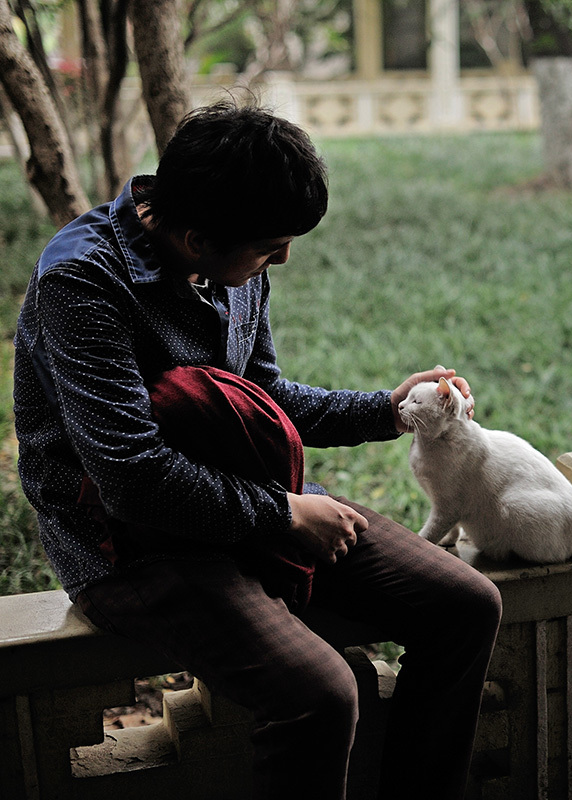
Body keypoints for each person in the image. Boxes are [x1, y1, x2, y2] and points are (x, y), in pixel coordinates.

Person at [13, 100, 502, 800]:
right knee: (322, 693)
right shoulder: (83, 280)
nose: (284, 256)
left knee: (465, 605)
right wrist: (283, 514)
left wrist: (391, 412)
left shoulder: (230, 252)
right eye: (272, 244)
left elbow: (264, 395)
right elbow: (131, 477)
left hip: (242, 499)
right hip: (126, 545)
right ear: (192, 236)